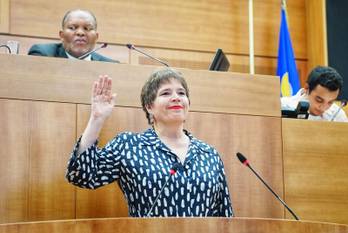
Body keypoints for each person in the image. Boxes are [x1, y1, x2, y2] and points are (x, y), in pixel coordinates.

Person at [66, 68, 234, 217]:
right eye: (166, 93)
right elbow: (81, 176)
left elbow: (225, 215)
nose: (176, 98)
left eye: (181, 93)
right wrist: (96, 119)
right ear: (149, 106)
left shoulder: (208, 154)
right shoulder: (129, 146)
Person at [28, 9, 116, 63]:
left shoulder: (110, 66)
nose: (80, 33)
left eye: (87, 28)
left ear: (96, 37)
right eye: (72, 28)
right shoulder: (43, 54)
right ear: (61, 35)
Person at [281, 66, 348, 122]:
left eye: (330, 102)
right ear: (307, 88)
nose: (323, 108)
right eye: (319, 100)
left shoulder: (338, 115)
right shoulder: (283, 106)